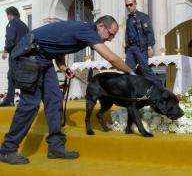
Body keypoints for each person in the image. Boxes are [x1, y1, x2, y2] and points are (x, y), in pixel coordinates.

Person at [0, 15, 135, 165]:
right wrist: (132, 73)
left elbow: (60, 45)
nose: (110, 39)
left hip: (43, 58)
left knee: (54, 100)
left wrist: (62, 66)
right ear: (101, 26)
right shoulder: (87, 30)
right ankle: (7, 150)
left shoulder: (83, 29)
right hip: (30, 56)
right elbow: (112, 59)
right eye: (111, 34)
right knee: (30, 104)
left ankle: (55, 147)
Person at [124, 0, 163, 87]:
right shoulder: (128, 19)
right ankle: (131, 92)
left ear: (135, 4)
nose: (129, 7)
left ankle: (161, 88)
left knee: (145, 70)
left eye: (131, 4)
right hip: (130, 48)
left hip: (140, 48)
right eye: (127, 5)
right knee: (127, 70)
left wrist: (150, 47)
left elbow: (149, 33)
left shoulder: (143, 17)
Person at [1, 6, 29, 107]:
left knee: (11, 76)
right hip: (25, 55)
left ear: (10, 14)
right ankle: (24, 100)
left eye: (7, 15)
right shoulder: (24, 25)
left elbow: (10, 39)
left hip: (15, 54)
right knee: (23, 77)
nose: (7, 17)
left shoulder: (12, 23)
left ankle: (9, 100)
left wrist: (6, 50)